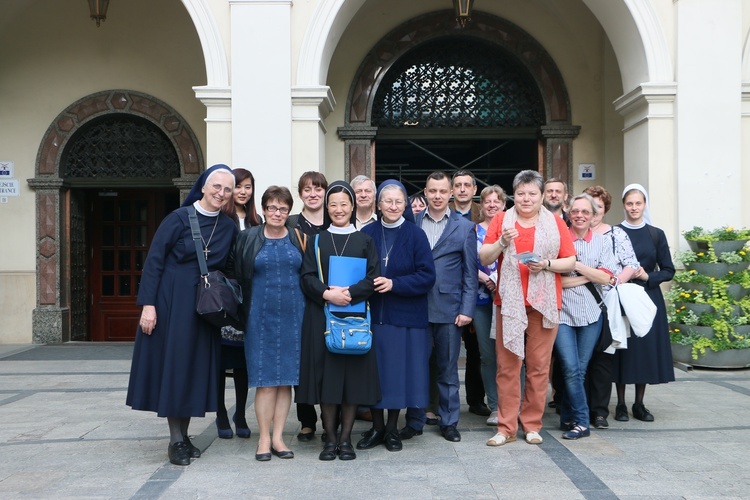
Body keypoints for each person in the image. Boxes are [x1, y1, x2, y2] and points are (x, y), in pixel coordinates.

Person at [126, 164, 238, 466]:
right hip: (171, 302)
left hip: (205, 307)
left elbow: (229, 268)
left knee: (195, 371)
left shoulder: (229, 226)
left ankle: (185, 436)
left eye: (227, 189)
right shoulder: (177, 219)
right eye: (216, 186)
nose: (221, 193)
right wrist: (148, 305)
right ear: (203, 186)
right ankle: (176, 440)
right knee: (175, 369)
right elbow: (154, 262)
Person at [479, 169, 576, 447]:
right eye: (521, 193)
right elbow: (484, 257)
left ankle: (532, 424)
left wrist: (545, 264)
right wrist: (501, 242)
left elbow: (569, 261)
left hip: (543, 303)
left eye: (532, 193)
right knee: (508, 367)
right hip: (509, 302)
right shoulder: (501, 219)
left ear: (542, 196)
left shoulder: (556, 223)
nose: (526, 198)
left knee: (538, 367)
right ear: (514, 195)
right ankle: (506, 427)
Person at [296, 181, 380, 461]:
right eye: (333, 204)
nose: (339, 209)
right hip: (323, 318)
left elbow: (373, 277)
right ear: (326, 207)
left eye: (344, 204)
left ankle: (346, 440)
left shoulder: (365, 240)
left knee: (351, 383)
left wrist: (349, 294)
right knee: (329, 382)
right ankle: (330, 439)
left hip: (355, 317)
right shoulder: (317, 240)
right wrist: (328, 294)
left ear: (353, 206)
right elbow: (306, 277)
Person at [358, 180, 436, 452]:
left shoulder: (416, 235)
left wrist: (395, 284)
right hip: (375, 316)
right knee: (376, 374)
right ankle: (376, 427)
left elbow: (427, 276)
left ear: (406, 205)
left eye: (398, 201)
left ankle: (392, 429)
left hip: (406, 317)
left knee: (398, 376)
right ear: (378, 205)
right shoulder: (367, 233)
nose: (392, 206)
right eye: (387, 201)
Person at [400, 171, 477, 443]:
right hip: (416, 308)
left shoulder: (464, 227)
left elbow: (470, 273)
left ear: (451, 193)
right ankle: (415, 420)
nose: (437, 196)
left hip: (449, 309)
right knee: (416, 368)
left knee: (447, 370)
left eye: (443, 191)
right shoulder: (411, 222)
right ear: (425, 191)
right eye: (432, 191)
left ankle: (449, 421)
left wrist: (467, 309)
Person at [234, 186, 306, 461]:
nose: (278, 213)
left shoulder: (299, 237)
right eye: (273, 207)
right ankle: (263, 438)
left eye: (283, 208)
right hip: (259, 315)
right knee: (265, 382)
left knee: (286, 381)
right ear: (264, 209)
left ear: (289, 212)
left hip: (293, 315)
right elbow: (238, 274)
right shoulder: (248, 237)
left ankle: (278, 438)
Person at [556, 194, 618, 440]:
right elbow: (556, 281)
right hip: (562, 314)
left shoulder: (602, 242)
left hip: (592, 314)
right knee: (570, 368)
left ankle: (569, 417)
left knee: (580, 369)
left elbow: (608, 278)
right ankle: (582, 422)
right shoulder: (560, 240)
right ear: (569, 214)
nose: (580, 215)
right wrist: (591, 274)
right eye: (575, 211)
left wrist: (577, 267)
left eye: (585, 211)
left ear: (593, 216)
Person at [613, 184, 675, 422]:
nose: (634, 208)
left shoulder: (655, 234)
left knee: (644, 349)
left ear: (644, 204)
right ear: (623, 205)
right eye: (630, 203)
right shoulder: (615, 232)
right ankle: (619, 403)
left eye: (638, 203)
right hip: (622, 295)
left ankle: (639, 403)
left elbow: (668, 270)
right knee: (622, 347)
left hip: (648, 295)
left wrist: (647, 276)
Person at [583, 185, 640, 429]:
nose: (594, 211)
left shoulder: (616, 235)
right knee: (578, 359)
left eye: (598, 206)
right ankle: (578, 407)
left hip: (608, 304)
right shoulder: (573, 231)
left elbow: (631, 263)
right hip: (578, 302)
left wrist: (616, 281)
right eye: (589, 206)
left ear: (605, 209)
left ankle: (599, 412)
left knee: (603, 359)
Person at [213, 168, 261, 440]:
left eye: (248, 187)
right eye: (239, 186)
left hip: (249, 300)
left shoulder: (257, 221)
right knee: (222, 362)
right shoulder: (221, 220)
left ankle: (240, 413)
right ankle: (220, 413)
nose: (243, 191)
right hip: (225, 298)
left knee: (243, 363)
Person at [287, 171, 328, 442]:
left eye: (317, 189)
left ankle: (329, 418)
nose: (313, 194)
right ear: (300, 194)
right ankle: (306, 420)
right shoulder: (291, 224)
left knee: (328, 359)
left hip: (328, 299)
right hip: (297, 300)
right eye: (307, 189)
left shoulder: (336, 221)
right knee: (300, 361)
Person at [449, 169, 489, 418]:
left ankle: (476, 400)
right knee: (446, 351)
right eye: (458, 185)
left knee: (476, 351)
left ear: (475, 190)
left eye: (467, 185)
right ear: (452, 190)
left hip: (479, 294)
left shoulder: (483, 214)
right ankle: (442, 403)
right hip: (449, 292)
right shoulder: (444, 213)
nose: (462, 189)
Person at [475, 185, 506, 426]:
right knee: (488, 355)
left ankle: (514, 404)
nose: (492, 204)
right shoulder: (473, 231)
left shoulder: (512, 229)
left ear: (504, 205)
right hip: (482, 300)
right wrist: (484, 278)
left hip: (509, 300)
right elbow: (466, 261)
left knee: (513, 354)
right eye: (488, 201)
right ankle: (495, 406)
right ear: (482, 205)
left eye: (497, 201)